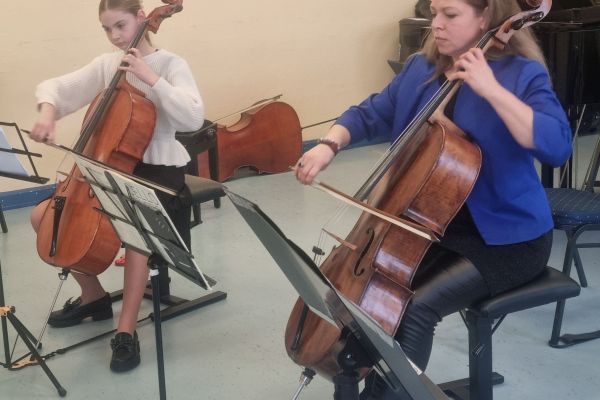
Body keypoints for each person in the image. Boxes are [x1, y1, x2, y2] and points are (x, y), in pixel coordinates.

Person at [295, 0, 571, 398]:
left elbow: (557, 146)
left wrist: (490, 89)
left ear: (486, 16)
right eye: (434, 13)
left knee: (415, 308)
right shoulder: (420, 70)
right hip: (428, 225)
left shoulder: (521, 74)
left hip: (505, 239)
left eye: (450, 15)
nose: (436, 25)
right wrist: (329, 144)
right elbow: (371, 112)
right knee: (366, 300)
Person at [28, 0, 204, 373]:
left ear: (142, 18)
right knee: (43, 217)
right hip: (111, 165)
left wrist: (151, 78)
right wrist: (47, 112)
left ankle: (126, 331)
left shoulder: (171, 64)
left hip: (158, 170)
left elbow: (192, 116)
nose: (115, 36)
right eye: (107, 29)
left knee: (134, 235)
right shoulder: (108, 64)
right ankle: (93, 296)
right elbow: (57, 87)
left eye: (120, 26)